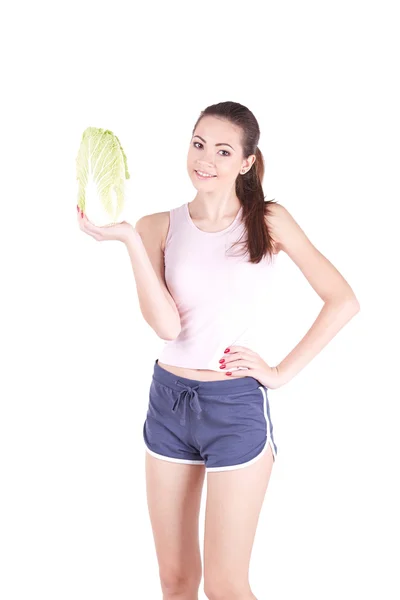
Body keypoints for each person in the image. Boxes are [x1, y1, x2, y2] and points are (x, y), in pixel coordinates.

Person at [77, 101, 360, 600]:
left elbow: (342, 300)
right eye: (198, 143)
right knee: (177, 581)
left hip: (234, 410)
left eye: (223, 150)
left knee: (226, 586)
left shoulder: (268, 220)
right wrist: (127, 242)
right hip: (167, 404)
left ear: (247, 162)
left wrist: (278, 372)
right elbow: (166, 325)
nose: (204, 159)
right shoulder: (155, 226)